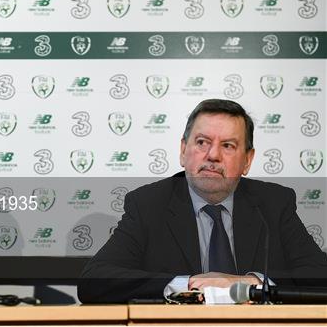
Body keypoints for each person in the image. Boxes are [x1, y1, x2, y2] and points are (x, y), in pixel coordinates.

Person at [78, 99, 327, 303]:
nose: (213, 155)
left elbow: (319, 276)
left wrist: (251, 283)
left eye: (228, 145)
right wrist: (188, 285)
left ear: (248, 160)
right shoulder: (149, 204)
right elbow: (95, 281)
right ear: (183, 151)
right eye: (202, 142)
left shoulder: (273, 203)